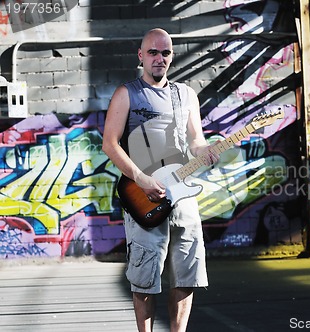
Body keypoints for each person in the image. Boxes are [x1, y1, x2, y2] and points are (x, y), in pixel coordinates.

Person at [102, 28, 219, 332]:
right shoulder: (127, 93)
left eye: (165, 53)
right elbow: (110, 144)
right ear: (140, 56)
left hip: (182, 195)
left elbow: (195, 140)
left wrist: (206, 150)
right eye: (153, 52)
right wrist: (140, 178)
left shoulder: (186, 95)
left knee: (187, 274)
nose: (159, 58)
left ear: (171, 56)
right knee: (144, 278)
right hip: (144, 195)